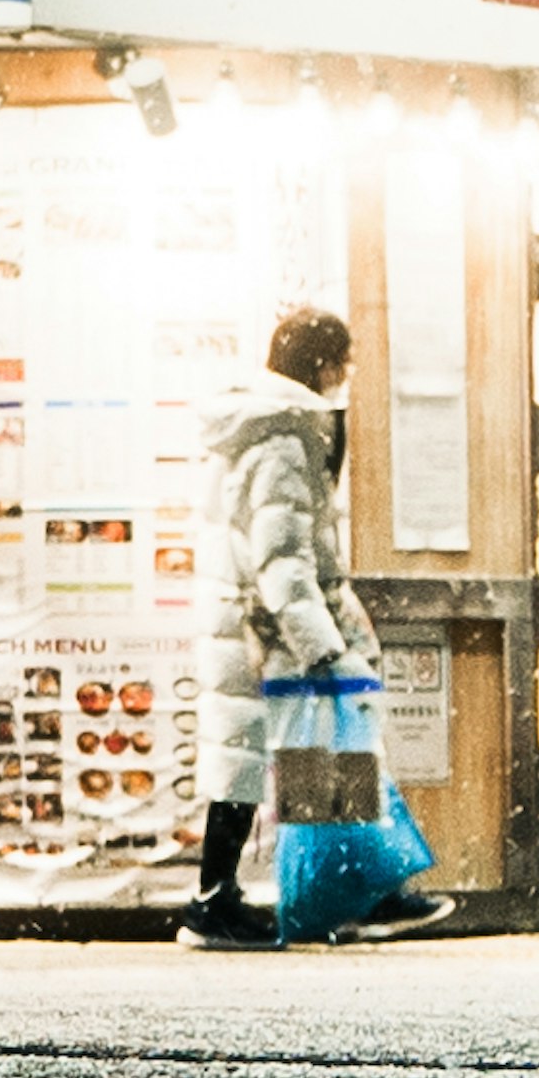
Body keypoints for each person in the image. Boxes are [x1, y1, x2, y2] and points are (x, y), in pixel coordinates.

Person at [176, 304, 450, 951]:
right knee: (317, 752)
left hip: (250, 627)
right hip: (271, 631)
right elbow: (282, 560)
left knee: (274, 762)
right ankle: (338, 897)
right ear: (325, 365)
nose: (346, 376)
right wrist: (324, 648)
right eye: (345, 364)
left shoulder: (262, 428)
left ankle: (242, 900)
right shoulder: (283, 438)